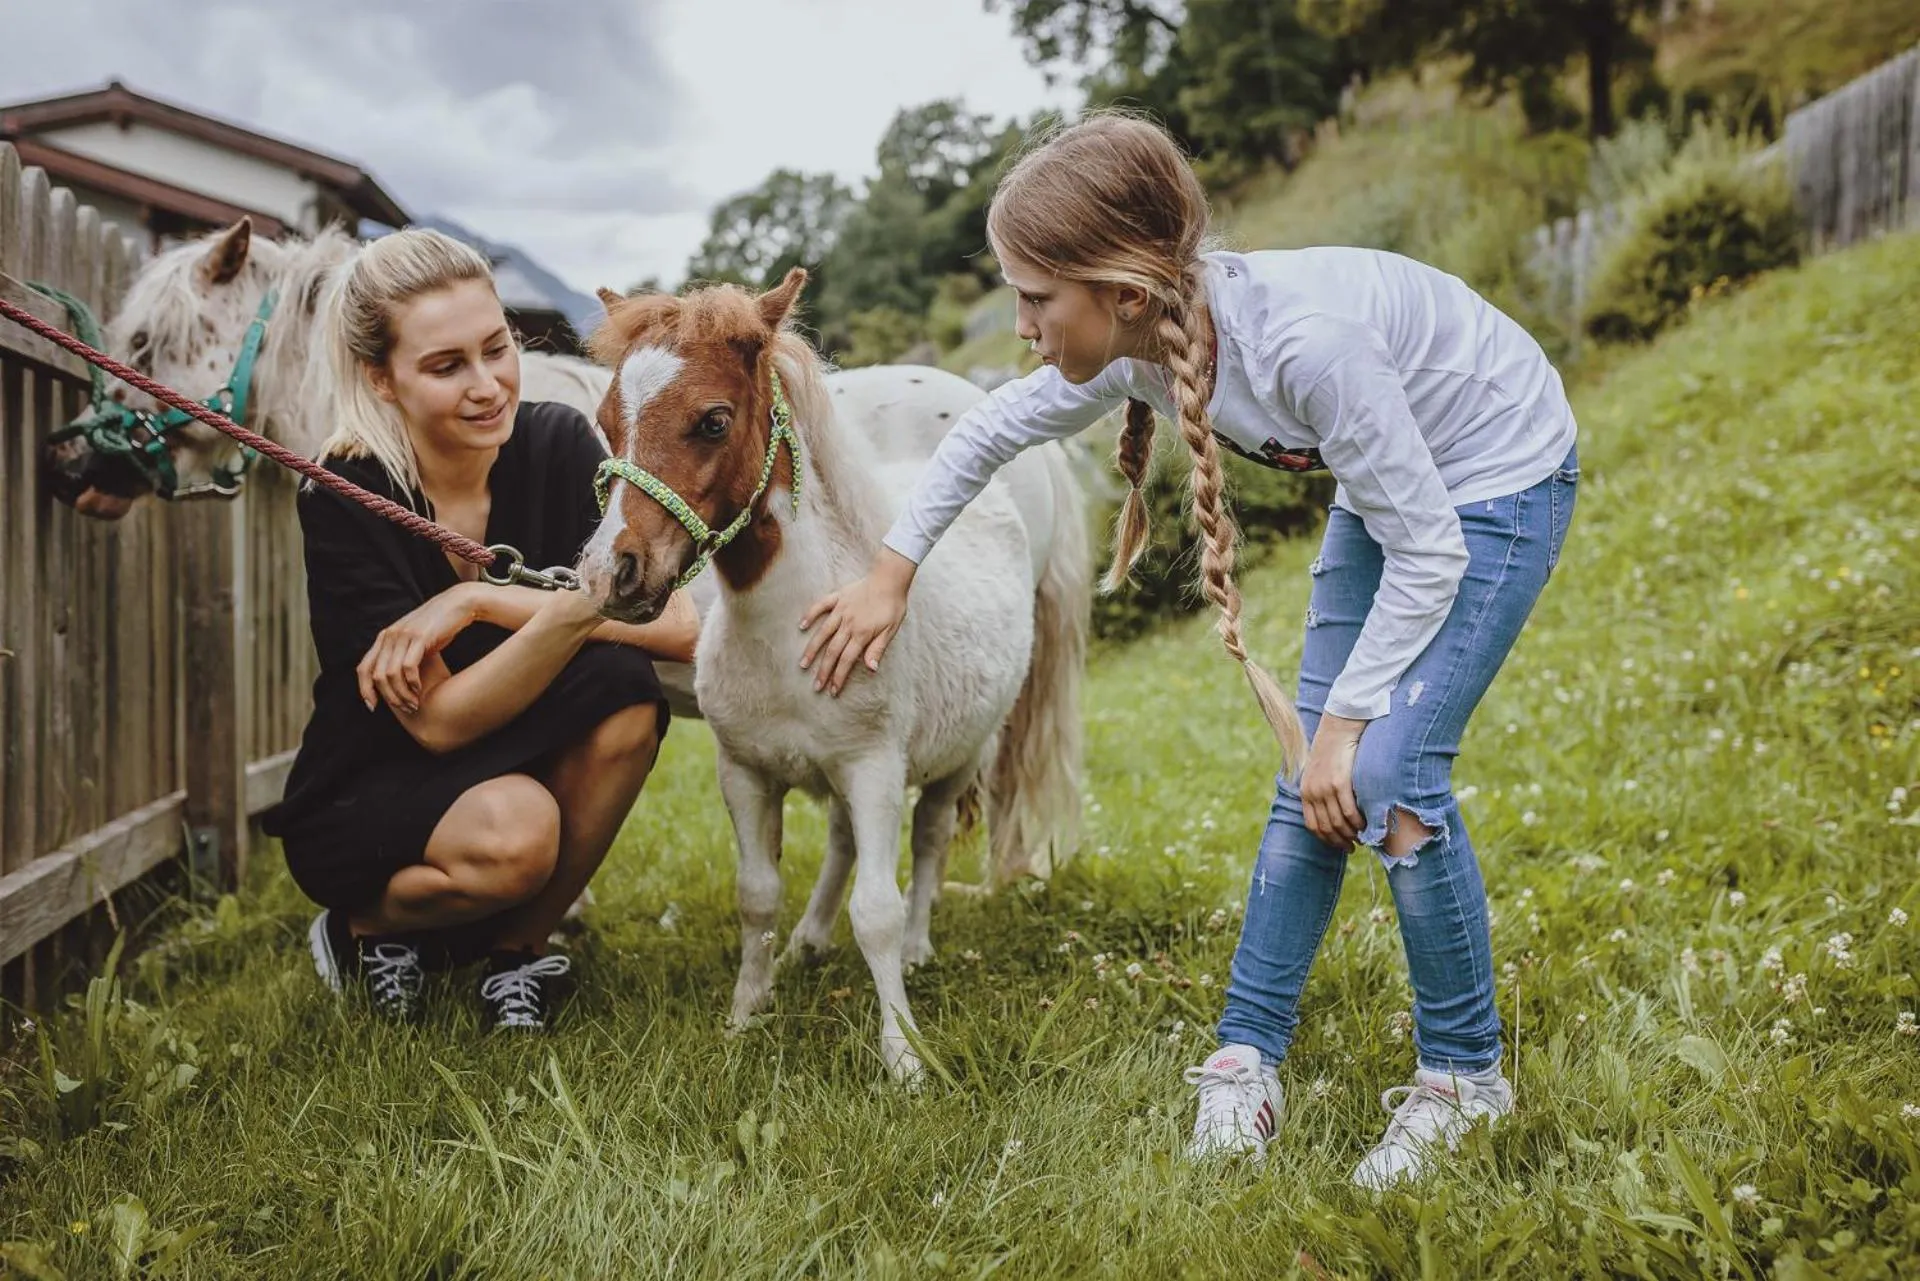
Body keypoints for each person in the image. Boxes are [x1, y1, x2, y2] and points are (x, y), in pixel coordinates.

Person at [795, 114, 1580, 1188]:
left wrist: (1350, 723)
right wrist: (889, 575)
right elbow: (985, 430)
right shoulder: (1142, 345)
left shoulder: (1306, 345)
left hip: (1495, 481)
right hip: (1399, 490)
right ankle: (1249, 1054)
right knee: (1309, 772)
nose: (1022, 326)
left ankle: (1466, 1079)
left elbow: (1431, 552)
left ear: (1121, 289)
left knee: (1387, 775)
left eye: (1036, 297)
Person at [260, 229, 696, 1031]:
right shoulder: (346, 493)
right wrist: (580, 610)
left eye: (496, 348)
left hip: (521, 744)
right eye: (445, 365)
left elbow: (677, 624)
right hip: (378, 777)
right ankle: (370, 926)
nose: (488, 385)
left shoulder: (558, 443)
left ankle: (516, 953)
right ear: (380, 378)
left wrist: (479, 602)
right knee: (518, 836)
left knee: (628, 695)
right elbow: (439, 721)